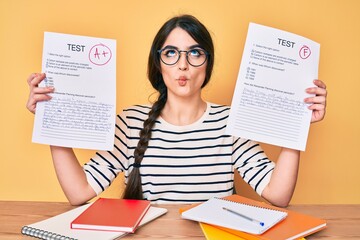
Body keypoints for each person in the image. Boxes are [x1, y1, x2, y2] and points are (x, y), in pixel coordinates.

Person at [26, 15, 327, 207]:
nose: (183, 64)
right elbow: (79, 193)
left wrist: (295, 124)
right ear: (158, 63)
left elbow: (278, 195)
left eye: (195, 52)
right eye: (171, 53)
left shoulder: (230, 123)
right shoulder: (130, 123)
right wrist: (53, 121)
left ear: (207, 63)